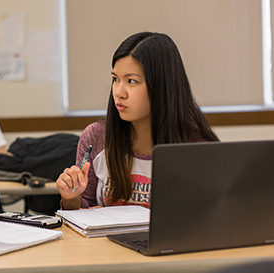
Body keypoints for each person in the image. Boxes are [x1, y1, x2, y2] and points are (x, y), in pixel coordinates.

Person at [56, 32, 219, 210]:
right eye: (115, 79)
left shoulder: (197, 148)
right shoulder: (96, 137)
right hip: (104, 239)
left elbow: (208, 219)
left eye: (131, 81)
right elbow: (83, 214)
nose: (119, 92)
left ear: (161, 86)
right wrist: (71, 197)